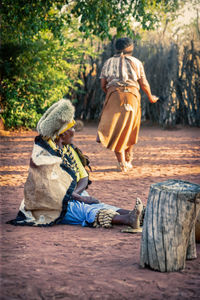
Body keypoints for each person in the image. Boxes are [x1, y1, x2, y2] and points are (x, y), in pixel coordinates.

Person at [8, 99, 144, 230]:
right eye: (71, 127)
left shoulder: (69, 149)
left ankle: (136, 215)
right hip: (49, 204)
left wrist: (77, 194)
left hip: (72, 195)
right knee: (85, 210)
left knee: (97, 204)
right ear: (62, 133)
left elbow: (83, 177)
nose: (74, 130)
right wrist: (78, 198)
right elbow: (50, 190)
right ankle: (128, 219)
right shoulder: (44, 154)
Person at [97, 37, 159, 172]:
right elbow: (144, 83)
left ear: (116, 48)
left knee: (116, 129)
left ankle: (121, 163)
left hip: (114, 96)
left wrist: (112, 93)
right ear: (130, 47)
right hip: (132, 96)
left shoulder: (108, 63)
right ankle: (128, 161)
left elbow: (103, 84)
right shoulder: (137, 62)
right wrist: (151, 97)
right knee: (130, 128)